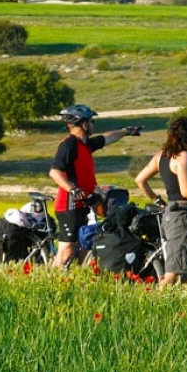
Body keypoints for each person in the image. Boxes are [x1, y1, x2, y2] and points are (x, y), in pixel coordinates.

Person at [49, 104, 140, 268]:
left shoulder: (86, 145)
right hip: (69, 205)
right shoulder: (69, 145)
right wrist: (73, 189)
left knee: (84, 245)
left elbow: (108, 138)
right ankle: (50, 282)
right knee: (66, 251)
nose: (93, 125)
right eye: (91, 121)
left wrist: (126, 131)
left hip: (85, 202)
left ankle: (74, 277)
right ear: (83, 123)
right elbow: (55, 172)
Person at [135, 116, 187, 285]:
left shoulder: (160, 156)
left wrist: (157, 200)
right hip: (182, 214)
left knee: (183, 267)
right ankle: (157, 305)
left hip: (172, 211)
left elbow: (140, 180)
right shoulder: (182, 157)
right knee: (173, 273)